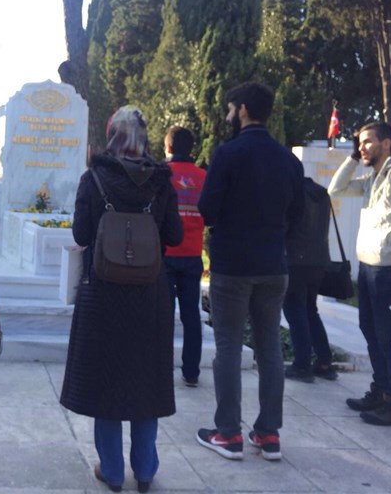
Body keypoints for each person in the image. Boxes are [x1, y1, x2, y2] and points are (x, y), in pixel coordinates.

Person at [60, 106, 183, 493]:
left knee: (106, 382)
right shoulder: (161, 181)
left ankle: (112, 471)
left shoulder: (94, 178)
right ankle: (145, 470)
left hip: (104, 295)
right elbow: (175, 235)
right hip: (149, 295)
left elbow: (81, 233)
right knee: (146, 381)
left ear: (112, 134)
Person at [196, 82, 304, 462]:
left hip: (233, 265)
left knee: (228, 345)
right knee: (269, 346)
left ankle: (228, 433)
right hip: (273, 264)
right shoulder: (288, 160)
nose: (228, 115)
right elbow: (298, 215)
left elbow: (206, 209)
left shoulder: (228, 153)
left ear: (242, 109)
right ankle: (268, 433)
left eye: (230, 109)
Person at [328, 121, 391, 426]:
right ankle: (382, 390)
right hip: (369, 269)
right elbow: (335, 189)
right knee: (371, 332)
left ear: (386, 143)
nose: (362, 147)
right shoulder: (372, 177)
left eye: (368, 142)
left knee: (387, 337)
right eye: (359, 143)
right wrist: (353, 157)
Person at [163, 126, 207, 387]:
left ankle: (160, 367)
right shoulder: (203, 176)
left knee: (164, 314)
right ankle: (191, 371)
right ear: (192, 148)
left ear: (168, 147)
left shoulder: (162, 174)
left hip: (166, 253)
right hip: (192, 253)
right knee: (191, 315)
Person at [282, 177, 337, 383]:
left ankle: (302, 364)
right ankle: (324, 362)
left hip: (295, 259)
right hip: (319, 260)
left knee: (294, 310)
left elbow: (286, 226)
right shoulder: (320, 193)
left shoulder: (292, 193)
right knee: (310, 310)